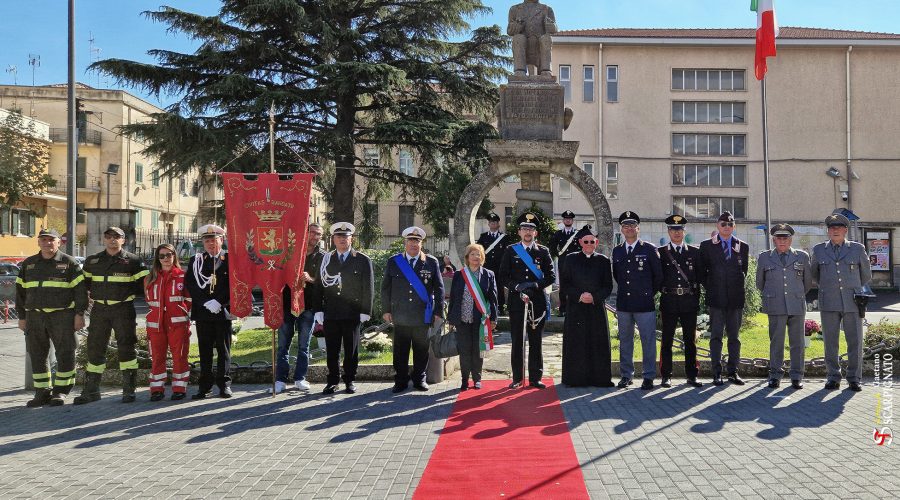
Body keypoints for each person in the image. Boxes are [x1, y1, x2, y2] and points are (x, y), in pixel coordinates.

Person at [75, 226, 149, 404]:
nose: (112, 239)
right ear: (104, 239)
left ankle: (129, 390)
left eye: (117, 236)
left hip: (123, 309)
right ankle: (92, 390)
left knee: (126, 347)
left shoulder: (134, 261)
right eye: (108, 236)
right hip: (100, 310)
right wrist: (80, 312)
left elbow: (146, 287)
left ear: (123, 240)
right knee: (95, 347)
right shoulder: (92, 261)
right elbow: (83, 287)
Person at [16, 229, 88, 407]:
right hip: (34, 316)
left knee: (65, 352)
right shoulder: (29, 264)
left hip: (62, 316)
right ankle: (42, 392)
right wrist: (22, 317)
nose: (47, 243)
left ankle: (61, 391)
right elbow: (20, 293)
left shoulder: (69, 263)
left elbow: (80, 292)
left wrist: (79, 314)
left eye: (51, 240)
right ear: (38, 242)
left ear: (59, 242)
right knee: (37, 354)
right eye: (43, 240)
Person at [811, 213, 872, 392]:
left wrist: (852, 287)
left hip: (852, 301)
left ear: (845, 230)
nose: (835, 230)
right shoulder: (819, 250)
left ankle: (854, 378)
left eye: (838, 227)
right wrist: (829, 287)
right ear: (828, 231)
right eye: (832, 227)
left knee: (855, 341)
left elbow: (866, 275)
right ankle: (833, 377)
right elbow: (815, 274)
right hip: (829, 301)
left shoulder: (857, 249)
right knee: (830, 342)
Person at [313, 222, 374, 395]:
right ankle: (332, 381)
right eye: (339, 237)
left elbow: (368, 288)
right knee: (332, 350)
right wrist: (318, 309)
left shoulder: (362, 260)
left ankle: (350, 380)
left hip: (352, 313)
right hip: (331, 312)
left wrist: (365, 311)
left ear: (351, 239)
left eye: (345, 237)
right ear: (333, 239)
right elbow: (318, 286)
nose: (342, 239)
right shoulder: (326, 259)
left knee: (351, 349)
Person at [382, 226, 445, 392]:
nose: (413, 244)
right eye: (410, 240)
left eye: (417, 241)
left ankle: (419, 379)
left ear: (421, 243)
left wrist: (438, 312)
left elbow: (439, 288)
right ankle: (401, 380)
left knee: (421, 350)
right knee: (400, 351)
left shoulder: (431, 262)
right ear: (405, 242)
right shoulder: (394, 261)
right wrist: (386, 310)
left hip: (422, 315)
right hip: (400, 315)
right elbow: (386, 288)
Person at [498, 212, 555, 389]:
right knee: (517, 340)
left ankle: (535, 378)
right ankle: (517, 378)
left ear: (535, 233)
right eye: (524, 228)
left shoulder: (543, 251)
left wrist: (535, 285)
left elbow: (551, 276)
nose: (528, 231)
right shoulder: (511, 250)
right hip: (517, 301)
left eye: (531, 229)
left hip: (537, 302)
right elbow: (503, 276)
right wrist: (517, 287)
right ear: (519, 232)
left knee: (536, 341)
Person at [756, 224, 813, 390]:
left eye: (785, 238)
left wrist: (796, 294)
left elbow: (807, 283)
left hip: (796, 304)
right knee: (776, 342)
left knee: (798, 343)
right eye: (779, 238)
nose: (782, 241)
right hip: (775, 305)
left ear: (791, 240)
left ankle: (797, 376)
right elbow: (760, 283)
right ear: (773, 240)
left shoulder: (801, 256)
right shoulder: (765, 257)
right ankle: (775, 375)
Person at [611, 212, 662, 390]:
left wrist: (648, 293)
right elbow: (617, 276)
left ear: (638, 228)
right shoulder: (617, 250)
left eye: (632, 225)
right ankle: (626, 375)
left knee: (648, 340)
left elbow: (658, 276)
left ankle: (648, 376)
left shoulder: (649, 249)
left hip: (644, 303)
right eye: (626, 226)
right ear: (622, 229)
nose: (629, 229)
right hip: (624, 303)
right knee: (625, 341)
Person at [699, 211, 750, 386]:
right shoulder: (707, 246)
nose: (726, 227)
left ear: (734, 226)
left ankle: (733, 372)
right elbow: (702, 272)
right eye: (723, 224)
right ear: (717, 226)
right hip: (716, 299)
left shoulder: (742, 246)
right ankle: (716, 372)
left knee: (734, 337)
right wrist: (714, 287)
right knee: (716, 336)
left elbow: (744, 271)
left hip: (735, 299)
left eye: (730, 224)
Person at [274, 223, 325, 394]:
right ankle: (280, 380)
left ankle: (300, 378)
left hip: (308, 307)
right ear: (305, 232)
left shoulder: (323, 257)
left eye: (318, 234)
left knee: (304, 345)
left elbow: (326, 282)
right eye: (312, 232)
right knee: (283, 345)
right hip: (287, 304)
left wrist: (311, 279)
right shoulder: (290, 252)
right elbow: (277, 273)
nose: (315, 236)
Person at [560, 226, 614, 387]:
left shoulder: (603, 261)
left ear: (596, 243)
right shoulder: (570, 259)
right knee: (577, 343)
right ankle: (576, 379)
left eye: (592, 241)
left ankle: (600, 379)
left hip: (596, 308)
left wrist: (594, 297)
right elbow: (565, 284)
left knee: (597, 343)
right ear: (580, 243)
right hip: (576, 308)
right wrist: (579, 296)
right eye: (586, 241)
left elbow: (608, 286)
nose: (589, 244)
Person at [185, 224, 233, 399]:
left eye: (214, 240)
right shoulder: (196, 260)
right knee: (204, 350)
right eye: (207, 241)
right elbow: (191, 284)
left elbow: (234, 284)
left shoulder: (230, 259)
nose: (211, 244)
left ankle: (224, 385)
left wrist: (219, 301)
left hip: (222, 311)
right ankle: (204, 387)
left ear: (222, 240)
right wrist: (206, 302)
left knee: (223, 350)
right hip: (204, 312)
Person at [658, 215, 706, 388]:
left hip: (688, 301)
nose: (676, 232)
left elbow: (700, 276)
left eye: (679, 229)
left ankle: (692, 375)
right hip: (669, 301)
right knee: (667, 340)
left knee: (690, 341)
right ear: (668, 231)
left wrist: (695, 297)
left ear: (684, 231)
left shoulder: (694, 252)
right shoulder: (661, 252)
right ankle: (666, 375)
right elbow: (657, 277)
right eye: (673, 229)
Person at [145, 243, 192, 401]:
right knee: (157, 357)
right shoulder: (150, 278)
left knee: (180, 356)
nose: (166, 258)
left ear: (174, 256)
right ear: (157, 259)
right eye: (162, 255)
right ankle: (156, 389)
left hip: (178, 324)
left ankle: (179, 388)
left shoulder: (183, 276)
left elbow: (189, 300)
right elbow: (148, 300)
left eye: (169, 255)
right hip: (156, 325)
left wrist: (181, 312)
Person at [448, 243, 499, 391]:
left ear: (482, 257)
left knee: (478, 350)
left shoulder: (488, 274)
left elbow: (493, 299)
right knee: (464, 350)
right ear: (467, 257)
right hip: (462, 319)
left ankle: (477, 379)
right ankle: (464, 380)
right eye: (473, 254)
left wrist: (494, 319)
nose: (476, 257)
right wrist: (451, 318)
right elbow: (453, 298)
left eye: (478, 254)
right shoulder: (459, 274)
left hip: (480, 320)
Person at [507, 0, 557, 76]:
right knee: (518, 38)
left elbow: (554, 29)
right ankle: (519, 70)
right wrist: (517, 26)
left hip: (539, 46)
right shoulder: (515, 9)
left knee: (546, 38)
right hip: (523, 45)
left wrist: (550, 26)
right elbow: (510, 30)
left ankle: (546, 70)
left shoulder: (546, 9)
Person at [476, 212, 509, 314]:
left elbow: (508, 253)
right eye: (491, 222)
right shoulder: (483, 236)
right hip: (487, 266)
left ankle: (500, 307)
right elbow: (478, 250)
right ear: (488, 224)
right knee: (487, 286)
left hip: (500, 267)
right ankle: (486, 306)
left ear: (498, 224)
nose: (493, 224)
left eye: (495, 222)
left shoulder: (505, 237)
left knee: (499, 287)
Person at [550, 210, 581, 316]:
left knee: (575, 284)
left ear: (572, 221)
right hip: (563, 262)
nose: (568, 220)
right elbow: (552, 247)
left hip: (575, 263)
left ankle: (574, 308)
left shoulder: (577, 234)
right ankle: (562, 309)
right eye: (566, 219)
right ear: (563, 220)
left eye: (570, 219)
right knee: (563, 286)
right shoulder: (558, 234)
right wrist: (559, 256)